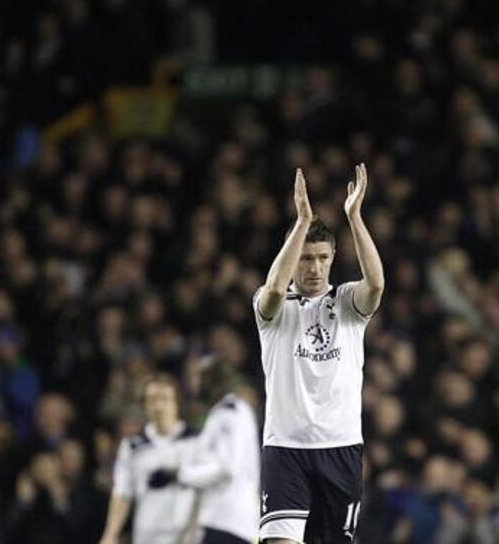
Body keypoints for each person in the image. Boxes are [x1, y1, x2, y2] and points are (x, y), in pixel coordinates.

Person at [254, 164, 385, 543]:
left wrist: (355, 217)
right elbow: (275, 288)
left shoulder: (346, 303)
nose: (314, 268)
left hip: (340, 447)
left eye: (322, 258)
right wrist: (301, 223)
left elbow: (376, 283)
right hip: (285, 448)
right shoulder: (271, 309)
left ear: (332, 257)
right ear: (293, 258)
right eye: (306, 258)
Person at [148, 358, 262, 543]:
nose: (193, 383)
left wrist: (180, 475)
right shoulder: (225, 413)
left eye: (197, 377)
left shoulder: (230, 414)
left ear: (212, 381)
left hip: (228, 520)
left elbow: (226, 468)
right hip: (226, 520)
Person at [99, 374, 200, 544]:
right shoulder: (133, 447)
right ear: (144, 406)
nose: (159, 406)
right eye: (152, 399)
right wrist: (110, 534)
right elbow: (122, 492)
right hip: (148, 534)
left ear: (176, 403)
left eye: (165, 399)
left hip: (187, 534)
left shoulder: (196, 441)